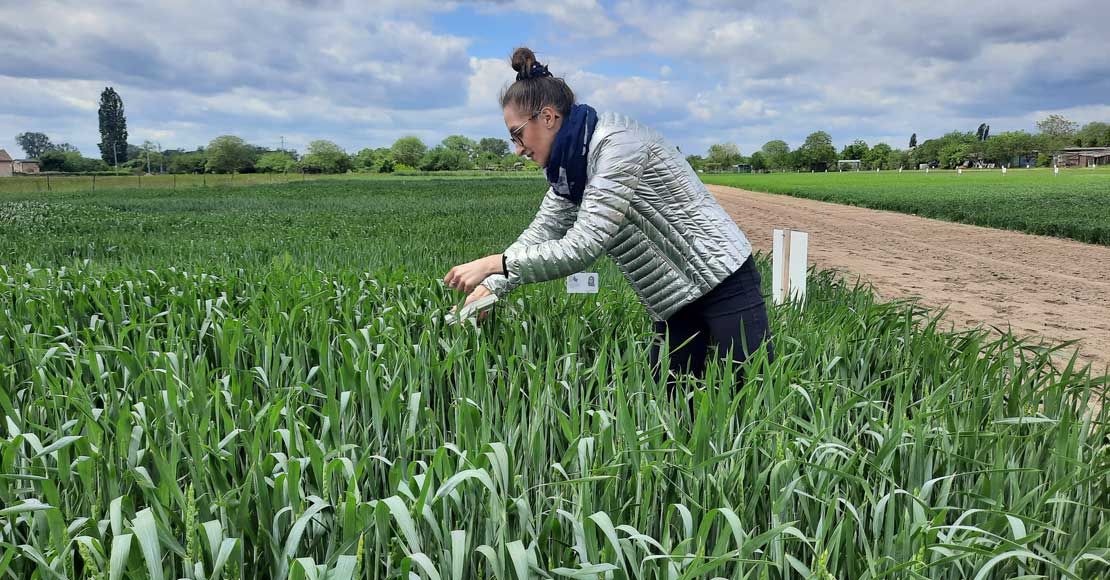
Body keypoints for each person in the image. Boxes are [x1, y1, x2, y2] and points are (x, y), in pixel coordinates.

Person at [443, 47, 773, 384]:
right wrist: (491, 286)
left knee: (753, 389)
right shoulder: (571, 168)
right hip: (672, 296)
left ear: (547, 117)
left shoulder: (616, 147)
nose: (518, 149)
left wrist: (493, 263)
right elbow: (542, 231)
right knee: (673, 400)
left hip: (721, 277)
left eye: (517, 134)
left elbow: (582, 246)